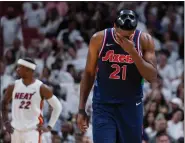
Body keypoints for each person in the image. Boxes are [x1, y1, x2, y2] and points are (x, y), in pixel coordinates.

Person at [77, 9, 157, 143]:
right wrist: (81, 109)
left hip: (131, 106)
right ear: (114, 27)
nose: (125, 40)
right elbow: (89, 74)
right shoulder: (99, 39)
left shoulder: (144, 40)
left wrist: (133, 52)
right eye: (122, 36)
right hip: (104, 105)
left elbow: (152, 77)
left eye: (129, 36)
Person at [2, 58, 62, 143]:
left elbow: (57, 107)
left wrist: (49, 126)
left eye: (20, 67)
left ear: (27, 70)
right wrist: (6, 122)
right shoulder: (13, 86)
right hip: (15, 130)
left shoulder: (41, 87)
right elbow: (4, 103)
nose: (17, 69)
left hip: (32, 131)